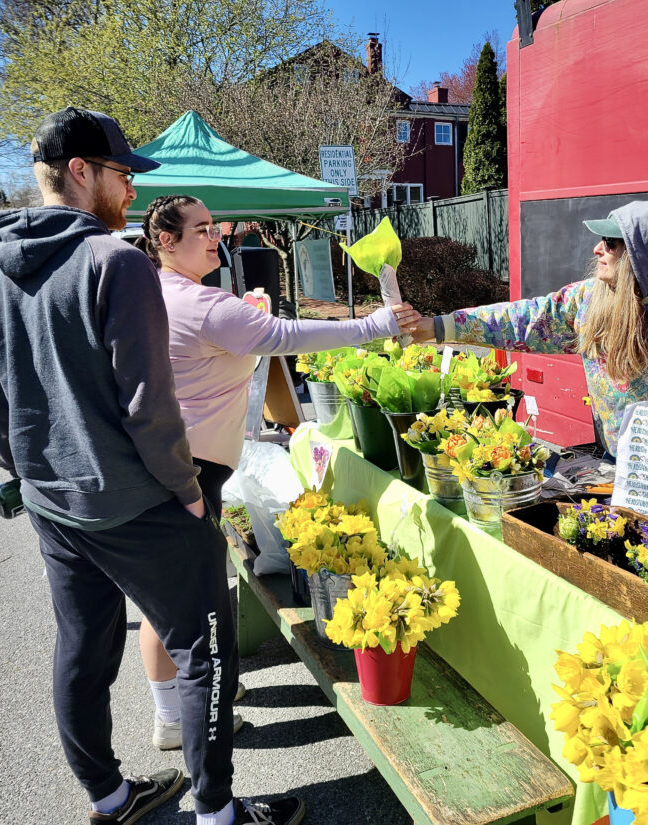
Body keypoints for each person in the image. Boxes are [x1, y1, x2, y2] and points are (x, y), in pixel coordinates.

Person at [0, 107, 299, 825]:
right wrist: (187, 492)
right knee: (205, 648)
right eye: (123, 174)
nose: (131, 191)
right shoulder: (115, 259)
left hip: (54, 500)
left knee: (83, 645)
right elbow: (149, 400)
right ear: (82, 172)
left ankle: (109, 798)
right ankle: (218, 813)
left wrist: (26, 474)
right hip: (135, 499)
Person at [132, 192, 420, 753]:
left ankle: (176, 707)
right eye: (200, 230)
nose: (215, 236)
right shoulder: (205, 305)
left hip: (163, 458)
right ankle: (186, 721)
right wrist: (372, 326)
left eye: (215, 226)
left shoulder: (156, 293)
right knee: (189, 600)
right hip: (189, 469)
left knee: (161, 597)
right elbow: (287, 336)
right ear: (166, 242)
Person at [412, 201, 648, 454]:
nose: (597, 249)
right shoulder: (588, 301)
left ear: (641, 254)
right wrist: (438, 328)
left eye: (610, 243)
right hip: (613, 462)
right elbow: (521, 321)